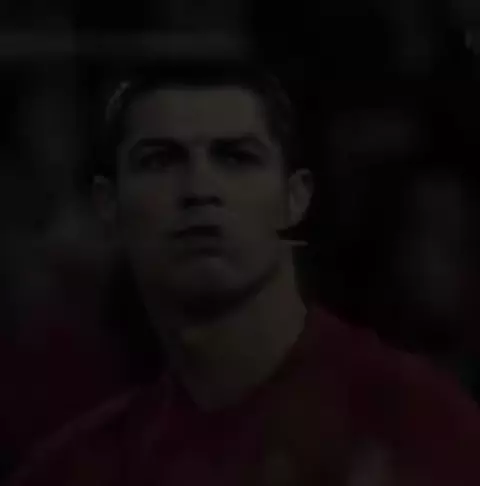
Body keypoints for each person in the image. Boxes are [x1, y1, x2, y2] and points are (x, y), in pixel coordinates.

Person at [7, 61, 480, 486]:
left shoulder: (414, 426)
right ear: (108, 207)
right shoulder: (78, 465)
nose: (199, 188)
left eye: (236, 157)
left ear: (295, 197)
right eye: (160, 160)